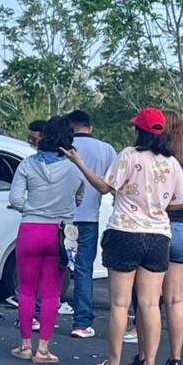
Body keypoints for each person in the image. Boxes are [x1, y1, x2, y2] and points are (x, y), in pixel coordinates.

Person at [63, 108, 183, 365]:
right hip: (158, 236)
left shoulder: (129, 156)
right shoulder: (172, 163)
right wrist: (158, 205)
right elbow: (182, 202)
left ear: (138, 131)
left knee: (120, 304)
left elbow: (104, 187)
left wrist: (79, 163)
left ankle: (114, 363)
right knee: (150, 305)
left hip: (125, 231)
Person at [125, 110, 183, 365]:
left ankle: (145, 356)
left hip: (157, 228)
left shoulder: (157, 159)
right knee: (175, 300)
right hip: (182, 231)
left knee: (147, 300)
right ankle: (176, 360)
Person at [7, 116, 84, 364]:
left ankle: (25, 345)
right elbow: (80, 198)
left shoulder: (28, 165)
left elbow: (16, 198)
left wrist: (33, 209)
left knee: (27, 289)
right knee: (52, 293)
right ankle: (44, 350)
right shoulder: (75, 167)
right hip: (61, 232)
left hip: (30, 228)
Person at [66, 109, 117, 339]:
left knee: (55, 267)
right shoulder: (106, 149)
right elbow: (113, 184)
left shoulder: (63, 145)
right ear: (90, 127)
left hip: (62, 217)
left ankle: (37, 315)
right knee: (84, 269)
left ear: (70, 126)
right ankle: (81, 322)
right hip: (89, 218)